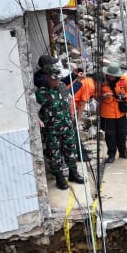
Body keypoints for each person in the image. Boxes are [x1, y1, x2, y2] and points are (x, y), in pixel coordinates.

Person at [36, 62, 86, 190]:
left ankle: (73, 174)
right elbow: (34, 110)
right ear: (48, 77)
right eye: (54, 79)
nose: (57, 81)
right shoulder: (41, 92)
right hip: (52, 129)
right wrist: (38, 120)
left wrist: (72, 114)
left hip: (67, 125)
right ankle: (59, 177)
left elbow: (69, 98)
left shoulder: (62, 86)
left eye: (58, 78)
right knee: (54, 154)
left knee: (71, 150)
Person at [100, 64, 127, 163]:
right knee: (110, 135)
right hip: (107, 112)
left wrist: (125, 98)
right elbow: (95, 94)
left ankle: (123, 152)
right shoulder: (101, 81)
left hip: (120, 112)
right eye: (110, 75)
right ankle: (111, 154)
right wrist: (103, 96)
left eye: (114, 75)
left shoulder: (123, 79)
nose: (112, 77)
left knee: (122, 132)